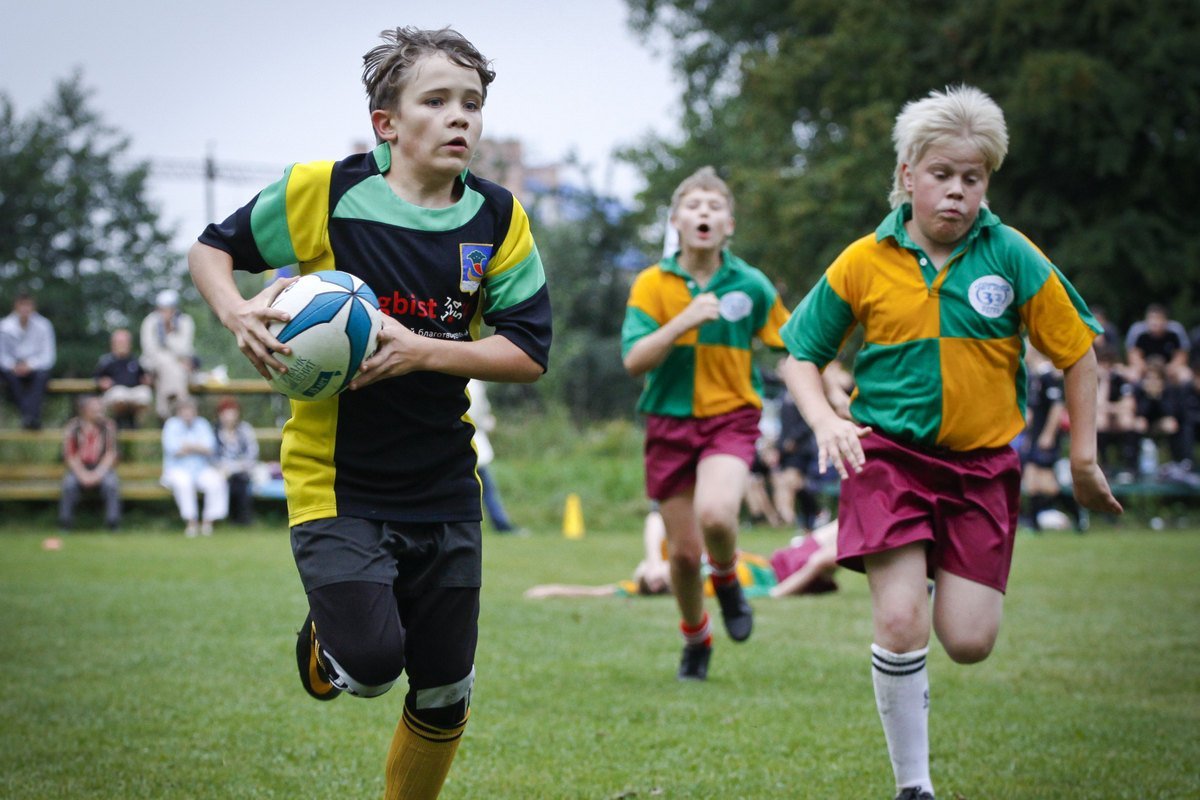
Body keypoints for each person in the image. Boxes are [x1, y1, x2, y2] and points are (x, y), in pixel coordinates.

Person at [186, 26, 551, 800]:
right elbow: (211, 250)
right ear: (387, 122)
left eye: (474, 104)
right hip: (337, 481)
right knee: (371, 667)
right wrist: (235, 312)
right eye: (438, 101)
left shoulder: (498, 219)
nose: (462, 119)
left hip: (446, 482)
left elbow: (527, 352)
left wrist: (421, 349)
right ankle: (330, 646)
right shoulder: (323, 192)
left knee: (446, 690)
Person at [777, 85, 1122, 800]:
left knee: (968, 642)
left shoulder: (1015, 257)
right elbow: (798, 356)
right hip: (888, 459)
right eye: (942, 175)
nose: (958, 193)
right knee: (901, 620)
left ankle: (931, 557)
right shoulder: (863, 260)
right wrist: (827, 421)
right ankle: (915, 786)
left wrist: (1083, 459)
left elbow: (1080, 355)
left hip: (980, 470)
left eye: (973, 178)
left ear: (987, 181)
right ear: (908, 174)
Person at [621, 166, 791, 681]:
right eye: (694, 206)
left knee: (717, 516)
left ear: (729, 225)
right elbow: (634, 360)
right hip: (669, 424)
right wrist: (684, 320)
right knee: (683, 556)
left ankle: (730, 580)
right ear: (675, 220)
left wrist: (832, 389)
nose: (704, 214)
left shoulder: (751, 284)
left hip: (730, 418)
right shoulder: (652, 284)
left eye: (714, 208)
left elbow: (792, 347)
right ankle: (696, 638)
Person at [524, 511, 839, 599]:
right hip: (785, 571)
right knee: (854, 530)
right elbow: (775, 593)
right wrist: (815, 567)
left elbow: (655, 518)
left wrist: (653, 560)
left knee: (851, 520)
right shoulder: (701, 590)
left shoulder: (674, 563)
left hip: (777, 559)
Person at [160, 396, 228, 537]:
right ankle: (191, 522)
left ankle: (208, 522)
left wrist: (188, 446)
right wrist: (197, 447)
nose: (188, 413)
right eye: (184, 410)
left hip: (201, 468)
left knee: (216, 481)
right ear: (178, 411)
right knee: (183, 483)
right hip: (176, 469)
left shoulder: (202, 424)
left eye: (191, 410)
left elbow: (210, 448)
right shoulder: (171, 425)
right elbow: (173, 450)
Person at [58, 395, 121, 531]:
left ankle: (113, 523)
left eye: (100, 408)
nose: (100, 411)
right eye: (95, 408)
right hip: (79, 467)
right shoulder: (73, 427)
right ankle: (65, 523)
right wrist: (82, 474)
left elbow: (111, 454)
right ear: (84, 410)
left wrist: (97, 474)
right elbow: (70, 455)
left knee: (111, 484)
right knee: (69, 485)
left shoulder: (108, 426)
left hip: (102, 467)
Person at [467, 378, 522, 534]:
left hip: (465, 443)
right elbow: (479, 414)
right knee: (487, 489)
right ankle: (500, 523)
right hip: (473, 443)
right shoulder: (474, 384)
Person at [0, 293, 56, 430]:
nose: (25, 309)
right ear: (16, 306)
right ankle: (31, 417)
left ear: (33, 307)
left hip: (36, 369)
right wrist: (13, 366)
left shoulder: (44, 325)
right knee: (11, 379)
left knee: (41, 377)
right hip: (11, 370)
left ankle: (28, 417)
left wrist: (30, 365)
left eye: (28, 305)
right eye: (22, 305)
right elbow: (2, 355)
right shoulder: (4, 326)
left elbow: (48, 356)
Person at [140, 288, 196, 421]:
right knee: (170, 365)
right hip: (156, 364)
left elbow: (185, 349)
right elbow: (149, 350)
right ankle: (181, 406)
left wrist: (168, 334)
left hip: (178, 365)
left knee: (175, 368)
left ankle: (164, 412)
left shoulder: (185, 321)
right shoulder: (150, 322)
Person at [94, 328, 153, 428]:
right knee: (119, 395)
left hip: (133, 392)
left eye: (125, 342)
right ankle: (119, 420)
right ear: (113, 344)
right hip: (116, 392)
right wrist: (101, 382)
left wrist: (147, 380)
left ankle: (134, 420)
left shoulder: (136, 360)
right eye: (120, 342)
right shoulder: (106, 361)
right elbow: (96, 378)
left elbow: (144, 376)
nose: (122, 345)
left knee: (145, 394)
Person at [214, 396, 259, 525]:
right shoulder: (215, 431)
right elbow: (212, 456)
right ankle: (228, 518)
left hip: (243, 468)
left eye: (232, 413)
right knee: (226, 480)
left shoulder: (245, 429)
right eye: (226, 413)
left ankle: (243, 519)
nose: (229, 417)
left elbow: (252, 453)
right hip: (221, 469)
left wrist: (237, 467)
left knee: (241, 479)